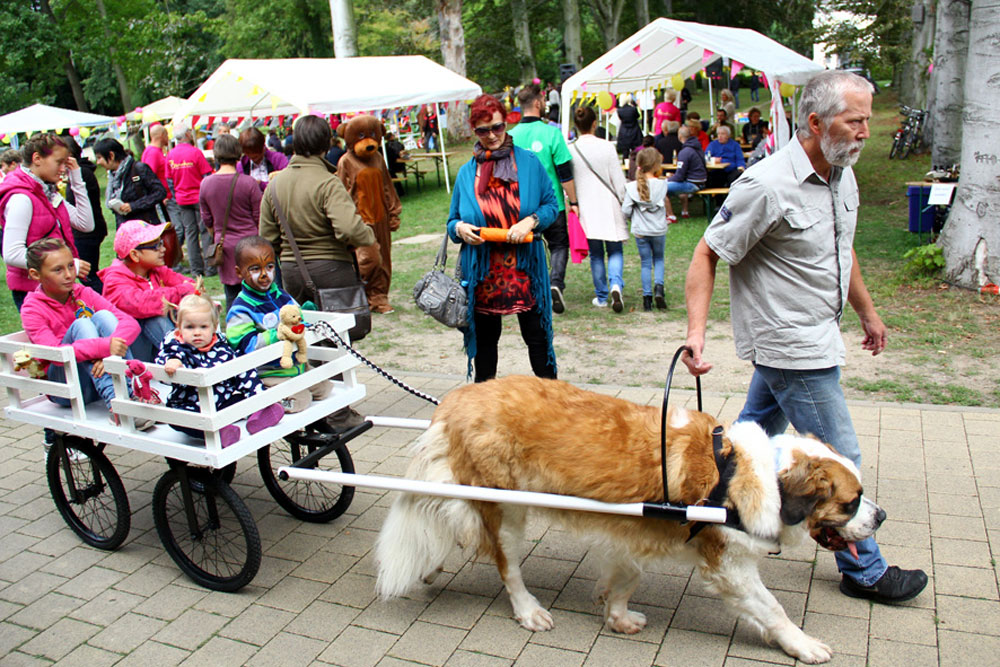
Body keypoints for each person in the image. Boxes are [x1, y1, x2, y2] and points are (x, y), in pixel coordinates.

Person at [682, 70, 928, 605]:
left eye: (867, 119)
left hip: (818, 334)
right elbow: (706, 252)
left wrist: (867, 312)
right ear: (815, 123)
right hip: (791, 345)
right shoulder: (766, 185)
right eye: (854, 119)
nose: (866, 131)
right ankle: (865, 571)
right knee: (843, 458)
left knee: (745, 446)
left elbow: (843, 251)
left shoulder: (842, 174)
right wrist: (696, 334)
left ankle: (725, 520)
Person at [259, 113, 375, 433]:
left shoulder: (276, 182)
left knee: (304, 341)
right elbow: (350, 229)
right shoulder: (327, 181)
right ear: (327, 144)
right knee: (337, 340)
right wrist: (369, 236)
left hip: (292, 272)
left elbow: (265, 237)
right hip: (331, 270)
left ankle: (313, 402)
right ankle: (338, 414)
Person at [448, 94, 559, 382]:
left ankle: (555, 408)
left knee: (538, 342)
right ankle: (484, 410)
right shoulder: (465, 173)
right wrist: (460, 229)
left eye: (497, 127)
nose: (492, 136)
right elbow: (451, 222)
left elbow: (550, 205)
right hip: (484, 273)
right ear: (475, 130)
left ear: (507, 123)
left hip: (525, 270)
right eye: (483, 131)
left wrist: (531, 221)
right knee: (485, 349)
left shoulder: (529, 163)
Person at [20, 237, 151, 429]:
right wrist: (104, 348)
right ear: (35, 274)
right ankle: (117, 403)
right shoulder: (32, 309)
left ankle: (131, 394)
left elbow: (129, 323)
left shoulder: (82, 292)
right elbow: (55, 353)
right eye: (58, 270)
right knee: (82, 324)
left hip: (94, 377)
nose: (68, 275)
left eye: (70, 266)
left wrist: (108, 353)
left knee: (104, 315)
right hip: (66, 388)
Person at [226, 236, 339, 422]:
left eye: (269, 267)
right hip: (270, 373)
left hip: (297, 366)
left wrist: (306, 318)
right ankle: (264, 405)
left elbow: (296, 317)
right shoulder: (241, 309)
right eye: (255, 269)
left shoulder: (280, 295)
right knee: (301, 400)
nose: (264, 275)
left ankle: (294, 389)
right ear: (239, 272)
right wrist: (276, 335)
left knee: (325, 388)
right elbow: (245, 345)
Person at [157, 293, 283, 447]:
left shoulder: (220, 345)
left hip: (221, 400)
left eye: (203, 327)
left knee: (242, 370)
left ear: (213, 326)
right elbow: (164, 360)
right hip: (191, 404)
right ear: (179, 327)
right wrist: (172, 362)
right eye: (190, 327)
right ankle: (220, 433)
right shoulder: (177, 348)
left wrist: (254, 393)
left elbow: (239, 370)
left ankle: (259, 412)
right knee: (178, 418)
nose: (197, 332)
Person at [0, 133, 94, 310]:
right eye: (59, 162)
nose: (63, 169)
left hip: (53, 286)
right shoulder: (22, 198)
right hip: (32, 291)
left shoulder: (47, 192)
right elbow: (12, 253)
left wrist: (76, 178)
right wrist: (65, 265)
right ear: (37, 159)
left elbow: (85, 223)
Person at [507, 83, 578, 314]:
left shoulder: (510, 136)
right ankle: (555, 283)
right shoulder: (551, 133)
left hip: (521, 205)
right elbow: (564, 173)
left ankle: (529, 289)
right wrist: (574, 201)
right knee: (558, 245)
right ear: (537, 103)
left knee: (526, 246)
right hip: (552, 204)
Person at [99, 220, 196, 362]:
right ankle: (188, 361)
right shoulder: (114, 280)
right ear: (135, 254)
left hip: (158, 347)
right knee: (153, 316)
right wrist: (180, 292)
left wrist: (183, 290)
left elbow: (193, 285)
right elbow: (142, 304)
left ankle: (188, 358)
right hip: (131, 354)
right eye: (156, 246)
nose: (163, 249)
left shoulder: (155, 271)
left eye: (162, 243)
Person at [569, 106, 629, 312]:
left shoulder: (572, 149)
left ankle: (602, 295)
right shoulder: (607, 147)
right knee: (615, 249)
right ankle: (615, 284)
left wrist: (573, 202)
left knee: (596, 254)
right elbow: (618, 179)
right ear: (595, 123)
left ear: (576, 126)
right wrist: (624, 200)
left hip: (586, 205)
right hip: (609, 203)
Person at [199, 134, 262, 310]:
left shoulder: (206, 184)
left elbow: (207, 220)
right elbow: (259, 218)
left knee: (232, 297)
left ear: (216, 155)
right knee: (257, 294)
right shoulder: (249, 183)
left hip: (225, 246)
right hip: (251, 246)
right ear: (238, 154)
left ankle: (236, 333)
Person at [622, 148, 669, 312]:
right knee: (659, 259)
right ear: (657, 165)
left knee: (645, 263)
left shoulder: (632, 187)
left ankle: (647, 298)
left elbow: (626, 209)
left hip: (641, 230)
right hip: (658, 229)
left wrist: (632, 219)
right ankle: (659, 288)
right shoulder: (662, 185)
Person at [167, 122, 214, 277]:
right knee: (205, 231)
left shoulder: (171, 155)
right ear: (187, 134)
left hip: (182, 198)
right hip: (198, 197)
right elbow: (206, 175)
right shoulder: (195, 153)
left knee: (190, 233)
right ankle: (209, 266)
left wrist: (176, 195)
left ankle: (196, 269)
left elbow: (169, 180)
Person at [63, 137, 106, 295]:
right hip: (88, 230)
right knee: (89, 273)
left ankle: (106, 301)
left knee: (87, 275)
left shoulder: (81, 173)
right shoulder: (82, 171)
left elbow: (78, 205)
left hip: (87, 232)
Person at [94, 138, 166, 229]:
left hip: (145, 228)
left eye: (99, 158)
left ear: (111, 156)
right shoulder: (113, 177)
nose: (98, 162)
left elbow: (160, 192)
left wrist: (133, 206)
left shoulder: (139, 169)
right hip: (126, 230)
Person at [142, 125, 182, 260]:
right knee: (174, 229)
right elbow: (149, 176)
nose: (168, 138)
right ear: (161, 136)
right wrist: (159, 196)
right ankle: (170, 259)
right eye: (166, 135)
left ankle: (172, 258)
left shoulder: (156, 151)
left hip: (165, 197)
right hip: (163, 199)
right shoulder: (153, 153)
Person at [665, 125, 707, 220]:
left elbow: (679, 176)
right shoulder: (698, 147)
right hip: (701, 181)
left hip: (692, 184)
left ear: (680, 137)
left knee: (660, 188)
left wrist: (668, 179)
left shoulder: (685, 152)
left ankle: (670, 215)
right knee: (678, 185)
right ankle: (685, 211)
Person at [238, 127, 289, 192]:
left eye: (256, 155)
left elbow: (286, 183)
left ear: (263, 147)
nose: (252, 157)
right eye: (248, 154)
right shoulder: (241, 166)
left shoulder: (278, 159)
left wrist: (261, 184)